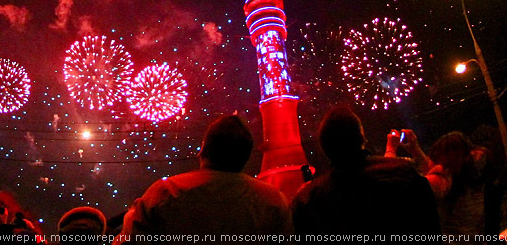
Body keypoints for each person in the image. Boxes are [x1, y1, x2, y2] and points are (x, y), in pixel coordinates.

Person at [115, 114, 292, 240]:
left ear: (202, 151)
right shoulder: (274, 201)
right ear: (246, 157)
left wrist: (129, 220)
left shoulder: (165, 192)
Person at [291, 106, 440, 234]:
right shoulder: (404, 172)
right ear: (361, 136)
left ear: (324, 147)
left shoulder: (308, 200)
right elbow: (431, 225)